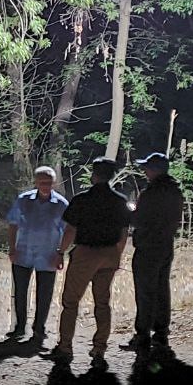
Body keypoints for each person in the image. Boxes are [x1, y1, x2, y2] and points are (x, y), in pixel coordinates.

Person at [47, 157, 130, 368]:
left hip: (86, 253)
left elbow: (70, 229)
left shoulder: (82, 199)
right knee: (102, 302)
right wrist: (116, 254)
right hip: (109, 253)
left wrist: (60, 252)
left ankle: (65, 346)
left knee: (70, 301)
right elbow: (123, 232)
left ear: (94, 175)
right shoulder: (119, 201)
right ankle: (99, 347)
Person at [124, 152, 185, 352]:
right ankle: (161, 333)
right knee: (161, 289)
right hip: (166, 245)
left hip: (148, 246)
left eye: (148, 168)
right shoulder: (175, 191)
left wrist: (128, 215)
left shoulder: (151, 193)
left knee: (145, 292)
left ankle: (142, 335)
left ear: (155, 170)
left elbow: (140, 219)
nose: (145, 171)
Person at [4, 166, 70, 340]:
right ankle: (19, 327)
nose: (45, 186)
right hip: (23, 252)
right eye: (42, 182)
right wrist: (11, 248)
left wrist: (61, 253)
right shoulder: (23, 200)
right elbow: (12, 224)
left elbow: (69, 230)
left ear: (54, 183)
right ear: (35, 182)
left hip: (48, 254)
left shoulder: (62, 205)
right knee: (20, 292)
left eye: (48, 182)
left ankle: (39, 328)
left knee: (45, 294)